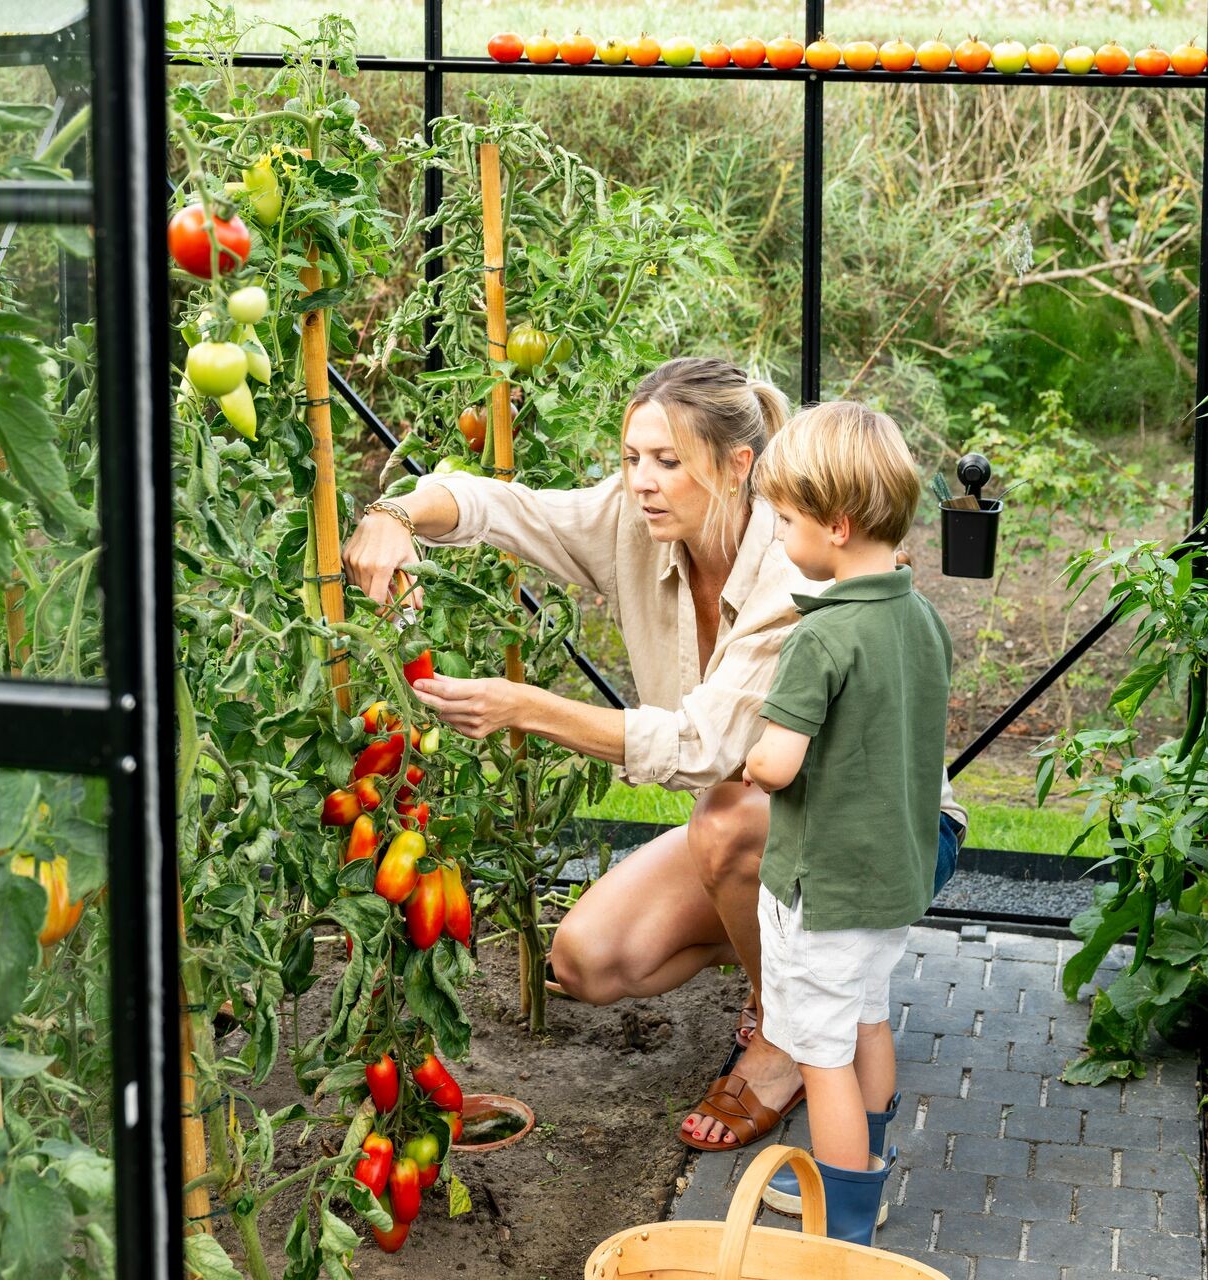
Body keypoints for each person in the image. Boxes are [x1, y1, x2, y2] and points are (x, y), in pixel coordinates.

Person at [340, 358, 966, 1149]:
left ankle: (782, 1036)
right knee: (588, 960)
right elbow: (502, 506)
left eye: (668, 461)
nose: (641, 481)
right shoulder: (633, 520)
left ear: (741, 466)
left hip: (880, 837)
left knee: (729, 816)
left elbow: (708, 751)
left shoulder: (797, 570)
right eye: (632, 457)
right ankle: (777, 962)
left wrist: (526, 709)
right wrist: (397, 512)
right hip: (772, 834)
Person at [738, 401, 953, 1246]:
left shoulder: (820, 640)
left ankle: (843, 1235)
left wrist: (754, 750)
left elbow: (776, 765)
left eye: (785, 520)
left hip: (821, 889)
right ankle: (867, 1171)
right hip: (891, 880)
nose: (779, 534)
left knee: (821, 1057)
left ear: (834, 525)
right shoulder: (921, 620)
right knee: (868, 1019)